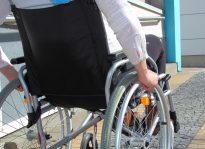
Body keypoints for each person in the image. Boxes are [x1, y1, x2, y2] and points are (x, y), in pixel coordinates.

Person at [0, 0, 166, 92]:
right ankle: (154, 111)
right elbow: (125, 21)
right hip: (99, 79)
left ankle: (128, 115)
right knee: (155, 43)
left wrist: (10, 73)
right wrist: (143, 72)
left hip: (48, 83)